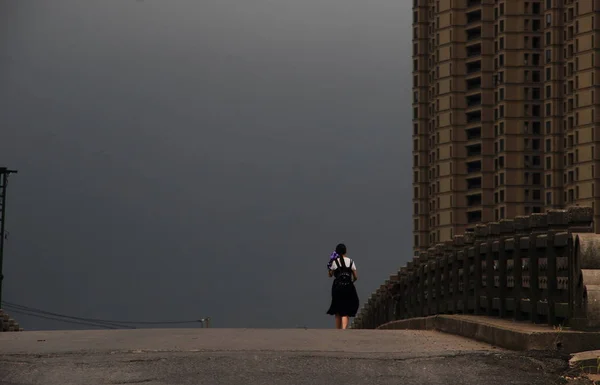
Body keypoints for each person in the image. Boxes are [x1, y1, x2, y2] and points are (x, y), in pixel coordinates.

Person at [326, 243, 359, 329]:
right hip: (348, 287)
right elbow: (356, 276)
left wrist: (330, 264)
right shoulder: (351, 261)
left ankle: (337, 330)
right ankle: (344, 329)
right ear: (345, 251)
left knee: (337, 310)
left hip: (337, 287)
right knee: (346, 310)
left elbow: (330, 275)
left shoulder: (334, 262)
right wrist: (352, 281)